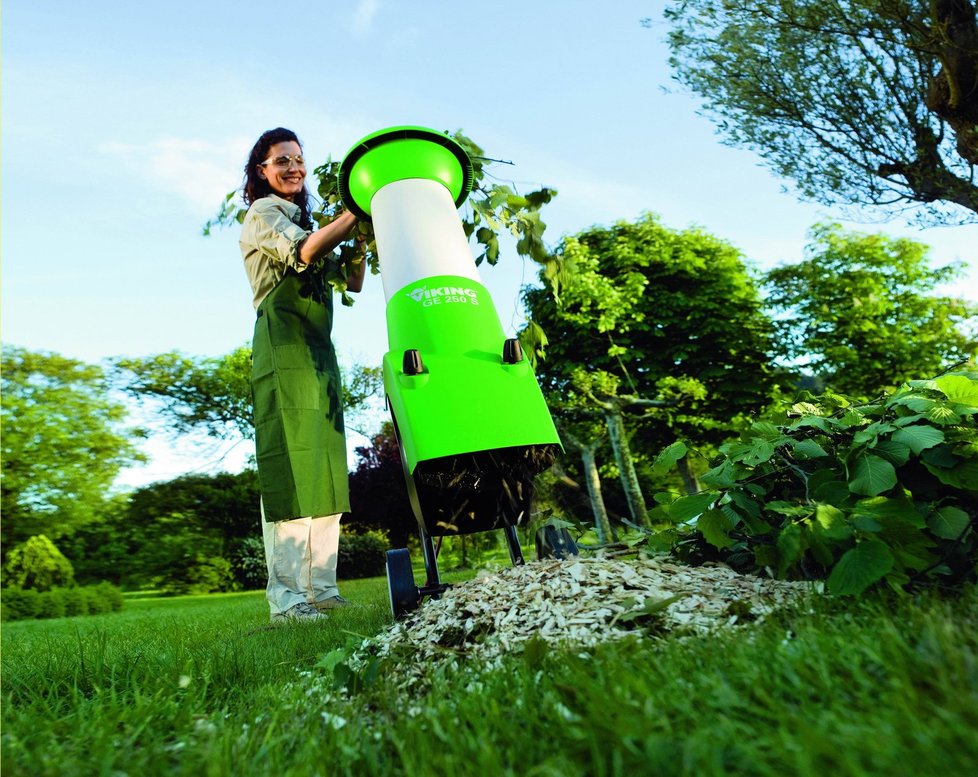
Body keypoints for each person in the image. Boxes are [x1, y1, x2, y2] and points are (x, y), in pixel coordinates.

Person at [238, 127, 365, 623]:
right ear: (262, 171)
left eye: (298, 159)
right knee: (290, 468)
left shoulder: (315, 221)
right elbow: (305, 253)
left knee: (325, 465)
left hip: (317, 351)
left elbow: (351, 280)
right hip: (283, 348)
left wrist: (363, 228)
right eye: (281, 160)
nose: (293, 167)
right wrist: (354, 210)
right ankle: (288, 600)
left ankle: (322, 588)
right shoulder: (263, 213)